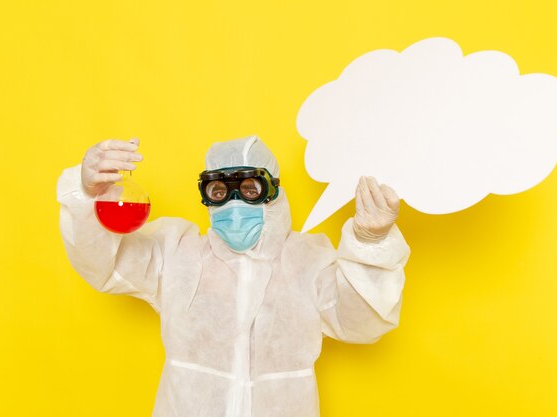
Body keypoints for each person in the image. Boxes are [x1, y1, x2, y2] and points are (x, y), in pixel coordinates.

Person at [57, 135, 410, 417]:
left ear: (273, 192)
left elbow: (362, 322)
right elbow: (105, 264)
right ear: (207, 197)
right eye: (220, 192)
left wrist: (369, 245)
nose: (235, 203)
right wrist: (88, 194)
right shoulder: (178, 255)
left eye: (251, 189)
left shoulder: (308, 261)